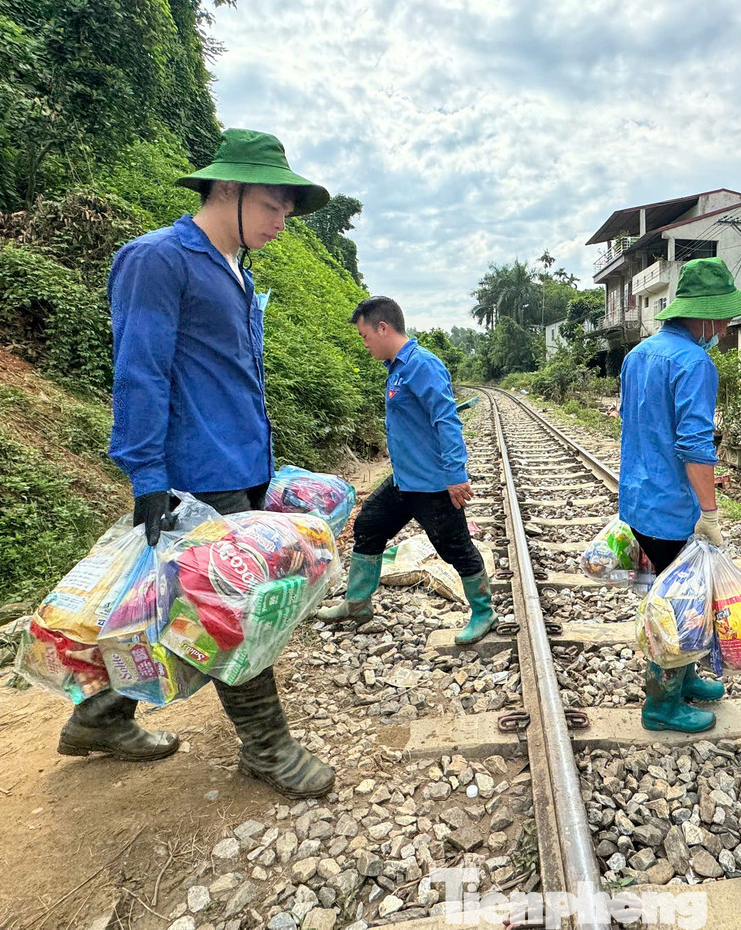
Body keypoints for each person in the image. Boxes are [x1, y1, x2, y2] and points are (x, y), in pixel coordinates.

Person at [58, 128, 337, 800]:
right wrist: (147, 475)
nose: (281, 223)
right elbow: (141, 372)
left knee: (169, 605)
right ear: (230, 189)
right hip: (193, 472)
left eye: (288, 213)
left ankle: (101, 715)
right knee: (234, 611)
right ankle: (268, 748)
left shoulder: (235, 270)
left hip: (237, 465)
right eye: (273, 206)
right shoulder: (159, 259)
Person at [618, 258, 741, 733]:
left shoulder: (637, 355)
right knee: (681, 606)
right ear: (701, 315)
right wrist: (710, 513)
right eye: (721, 318)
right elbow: (695, 447)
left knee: (666, 594)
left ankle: (682, 681)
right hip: (674, 508)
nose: (723, 329)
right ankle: (661, 706)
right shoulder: (694, 363)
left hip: (639, 500)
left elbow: (634, 423)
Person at [317, 297, 493, 644]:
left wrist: (456, 475)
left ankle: (484, 612)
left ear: (383, 328)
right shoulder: (397, 368)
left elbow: (446, 420)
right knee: (368, 525)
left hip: (433, 485)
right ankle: (357, 604)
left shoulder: (422, 365)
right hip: (403, 482)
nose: (364, 343)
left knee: (455, 548)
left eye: (365, 335)